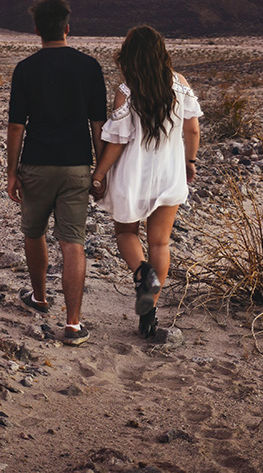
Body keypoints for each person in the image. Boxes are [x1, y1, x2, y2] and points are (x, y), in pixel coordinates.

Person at [6, 0, 107, 346]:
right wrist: (100, 171)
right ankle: (74, 324)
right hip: (77, 165)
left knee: (33, 233)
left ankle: (39, 297)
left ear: (37, 30)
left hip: (36, 163)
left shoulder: (26, 68)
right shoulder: (90, 67)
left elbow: (16, 126)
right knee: (73, 242)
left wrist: (11, 171)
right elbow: (98, 124)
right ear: (67, 27)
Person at [91, 26, 202, 339]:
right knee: (160, 242)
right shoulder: (180, 84)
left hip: (132, 174)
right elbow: (192, 130)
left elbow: (118, 140)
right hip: (169, 173)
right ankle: (148, 315)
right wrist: (189, 161)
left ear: (130, 55)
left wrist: (99, 174)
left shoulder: (127, 91)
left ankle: (142, 273)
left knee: (126, 232)